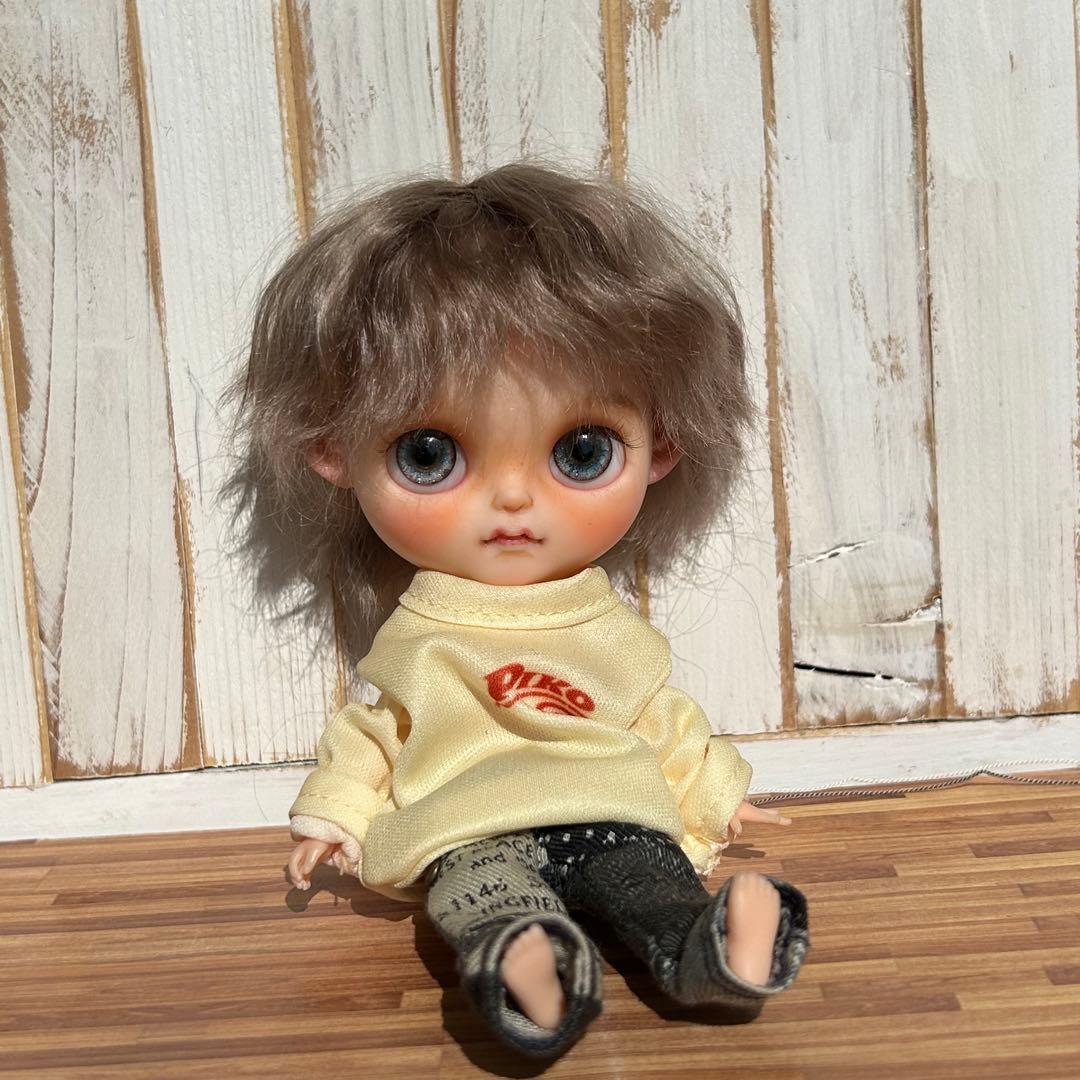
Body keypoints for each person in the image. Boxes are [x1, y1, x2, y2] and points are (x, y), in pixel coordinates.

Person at [220, 160, 811, 1059]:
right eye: (428, 454)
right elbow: (377, 734)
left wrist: (721, 792)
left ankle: (712, 948)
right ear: (331, 449)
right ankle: (529, 963)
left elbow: (656, 718)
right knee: (484, 896)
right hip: (470, 824)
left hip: (614, 806)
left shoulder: (605, 628)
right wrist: (331, 814)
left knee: (651, 884)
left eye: (580, 452)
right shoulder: (422, 636)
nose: (512, 500)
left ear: (663, 444)